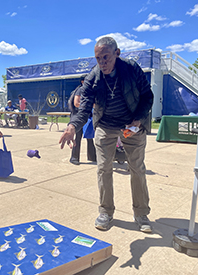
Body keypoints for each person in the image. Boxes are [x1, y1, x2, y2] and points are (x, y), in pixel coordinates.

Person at [59, 36, 154, 233]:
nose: (102, 62)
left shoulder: (131, 68)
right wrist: (71, 126)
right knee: (103, 168)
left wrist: (138, 119)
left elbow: (147, 96)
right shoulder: (93, 78)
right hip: (105, 125)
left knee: (136, 168)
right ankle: (106, 212)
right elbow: (83, 109)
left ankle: (141, 213)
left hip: (132, 124)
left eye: (106, 57)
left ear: (117, 53)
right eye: (98, 58)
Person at [68, 75, 96, 165]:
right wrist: (89, 105)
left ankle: (92, 156)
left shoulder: (88, 90)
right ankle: (74, 158)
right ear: (83, 81)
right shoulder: (80, 90)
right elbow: (76, 103)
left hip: (86, 116)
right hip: (78, 116)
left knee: (89, 136)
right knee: (78, 137)